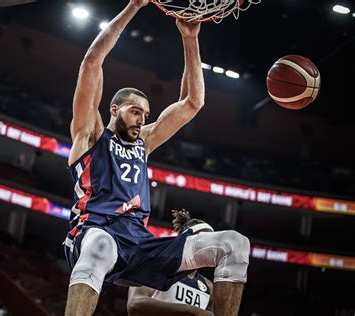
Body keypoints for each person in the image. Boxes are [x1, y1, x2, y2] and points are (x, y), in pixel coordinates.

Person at [63, 1, 250, 315]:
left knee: (235, 243)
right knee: (99, 246)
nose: (141, 119)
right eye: (135, 111)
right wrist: (135, 5)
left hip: (139, 244)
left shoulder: (144, 143)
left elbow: (193, 103)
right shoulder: (90, 135)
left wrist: (190, 38)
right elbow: (91, 63)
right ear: (113, 109)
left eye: (145, 114)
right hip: (94, 232)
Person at [127, 210, 215, 316]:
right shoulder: (155, 268)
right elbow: (134, 304)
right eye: (204, 240)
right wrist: (190, 310)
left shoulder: (209, 286)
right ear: (186, 240)